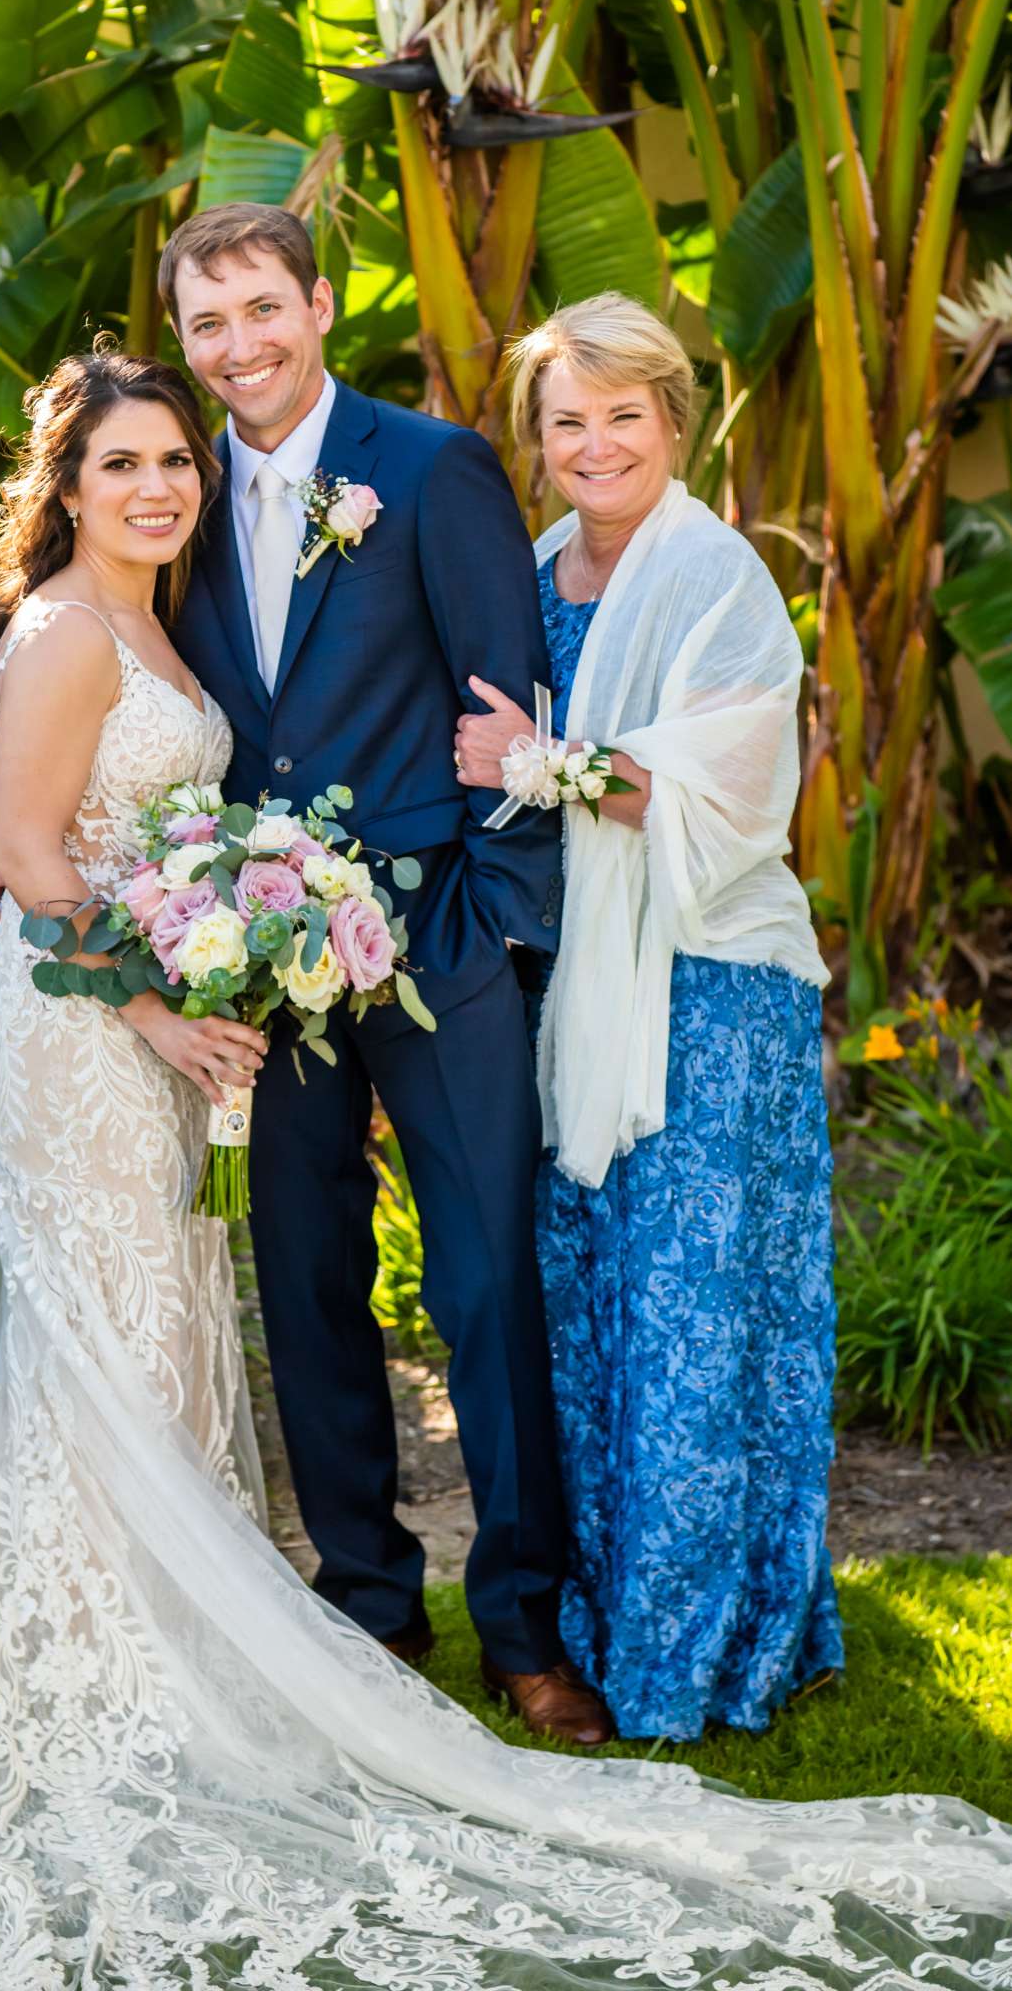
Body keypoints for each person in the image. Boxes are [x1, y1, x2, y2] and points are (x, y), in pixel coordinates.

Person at [0, 340, 1008, 1991]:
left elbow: (155, 837)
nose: (159, 487)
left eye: (175, 462)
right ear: (71, 483)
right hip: (87, 1030)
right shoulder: (52, 631)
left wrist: (226, 953)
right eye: (122, 467)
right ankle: (84, 1666)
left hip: (158, 1027)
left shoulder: (155, 626)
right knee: (100, 1330)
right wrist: (172, 1006)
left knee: (158, 1319)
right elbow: (31, 862)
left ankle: (157, 1645)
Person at [0, 203, 603, 1743]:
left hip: (436, 945)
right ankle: (368, 1607)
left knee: (477, 1279)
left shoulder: (428, 466)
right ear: (182, 342)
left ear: (319, 305)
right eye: (207, 324)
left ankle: (523, 1620)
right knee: (309, 1287)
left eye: (263, 309)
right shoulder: (167, 508)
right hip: (254, 966)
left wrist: (500, 930)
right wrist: (201, 943)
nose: (239, 346)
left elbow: (500, 700)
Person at [456, 292, 845, 1740]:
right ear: (537, 440)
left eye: (623, 414)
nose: (593, 441)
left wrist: (536, 762)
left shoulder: (715, 574)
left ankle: (699, 1644)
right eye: (566, 419)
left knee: (693, 1313)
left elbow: (727, 797)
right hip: (580, 989)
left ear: (672, 424)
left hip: (709, 986)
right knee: (598, 1305)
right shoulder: (538, 567)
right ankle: (602, 1612)